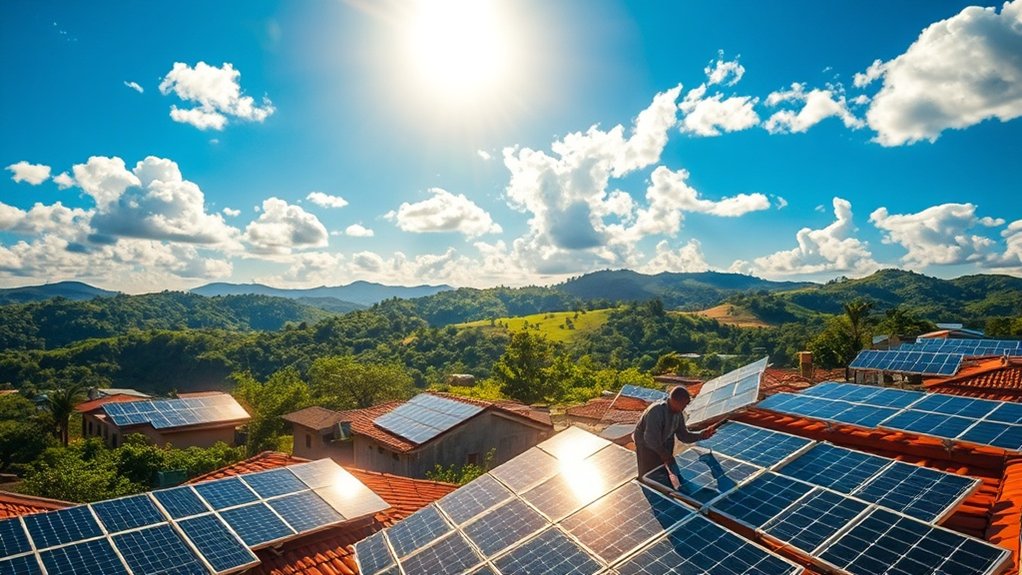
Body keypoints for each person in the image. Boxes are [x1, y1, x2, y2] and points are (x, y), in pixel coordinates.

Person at [633, 386, 717, 479]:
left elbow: (684, 436)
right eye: (684, 404)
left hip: (662, 442)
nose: (684, 407)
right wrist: (664, 454)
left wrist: (701, 435)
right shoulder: (656, 411)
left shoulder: (678, 414)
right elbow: (650, 439)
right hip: (645, 446)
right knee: (649, 475)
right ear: (675, 401)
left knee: (663, 471)